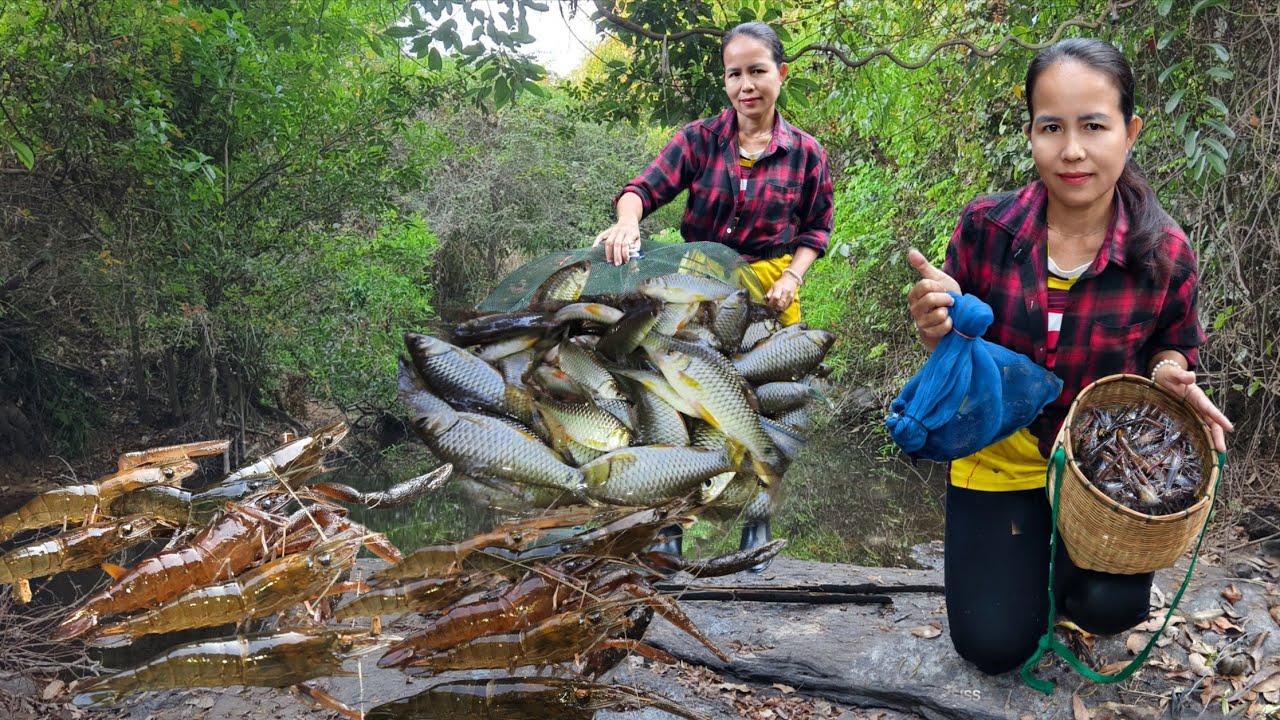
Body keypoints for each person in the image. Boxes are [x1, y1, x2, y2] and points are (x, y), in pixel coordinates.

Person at [906, 38, 1233, 675]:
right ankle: (1025, 568)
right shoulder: (986, 230)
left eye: (1094, 126)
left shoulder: (1163, 252)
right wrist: (934, 324)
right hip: (998, 454)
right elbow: (953, 350)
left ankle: (1060, 568)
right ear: (1030, 133)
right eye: (1051, 127)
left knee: (1112, 604)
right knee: (995, 647)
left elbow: (1174, 343)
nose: (1073, 150)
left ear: (1130, 131)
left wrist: (1170, 374)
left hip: (1098, 470)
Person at [594, 21, 834, 561]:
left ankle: (758, 521)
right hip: (698, 285)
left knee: (771, 409)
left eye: (757, 71)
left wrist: (794, 275)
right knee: (677, 402)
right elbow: (641, 190)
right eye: (734, 74)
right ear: (724, 81)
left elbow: (816, 231)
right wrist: (628, 223)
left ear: (781, 74)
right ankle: (670, 525)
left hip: (771, 288)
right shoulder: (698, 139)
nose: (746, 84)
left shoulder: (806, 153)